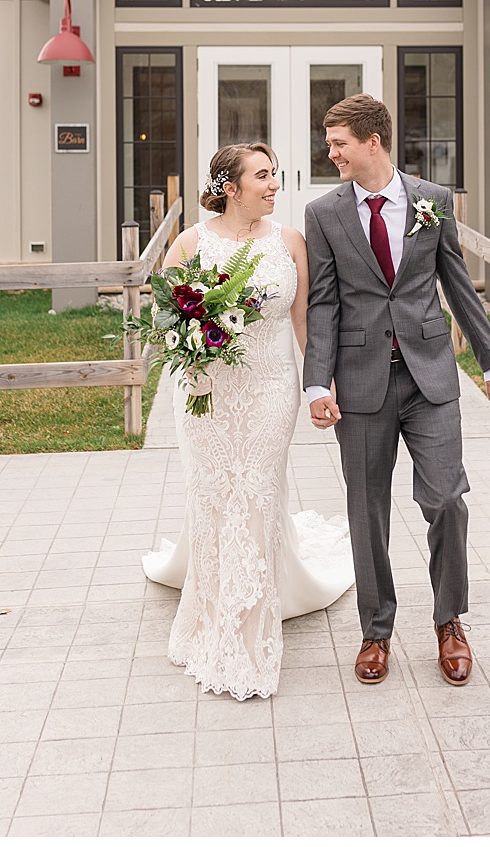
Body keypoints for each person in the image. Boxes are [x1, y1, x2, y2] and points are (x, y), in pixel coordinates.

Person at [301, 95, 490, 688]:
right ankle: (376, 630)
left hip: (430, 376)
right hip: (361, 381)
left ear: (373, 142)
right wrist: (319, 381)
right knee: (367, 511)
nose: (331, 152)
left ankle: (450, 622)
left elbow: (458, 283)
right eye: (329, 141)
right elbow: (323, 302)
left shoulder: (430, 201)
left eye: (338, 142)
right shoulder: (324, 213)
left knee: (445, 499)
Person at [142, 143, 354, 701]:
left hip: (268, 390)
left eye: (275, 176)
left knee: (257, 495)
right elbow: (164, 318)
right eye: (262, 176)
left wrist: (320, 384)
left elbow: (305, 319)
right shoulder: (189, 243)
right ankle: (211, 614)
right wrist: (188, 343)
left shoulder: (290, 243)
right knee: (212, 497)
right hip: (206, 393)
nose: (273, 185)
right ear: (229, 186)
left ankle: (248, 633)